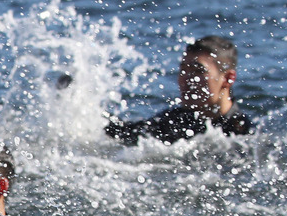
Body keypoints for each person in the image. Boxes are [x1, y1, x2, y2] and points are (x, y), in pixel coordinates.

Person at [105, 35, 253, 145]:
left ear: (228, 78)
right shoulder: (173, 122)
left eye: (197, 71)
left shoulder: (244, 134)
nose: (185, 79)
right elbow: (120, 133)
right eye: (183, 70)